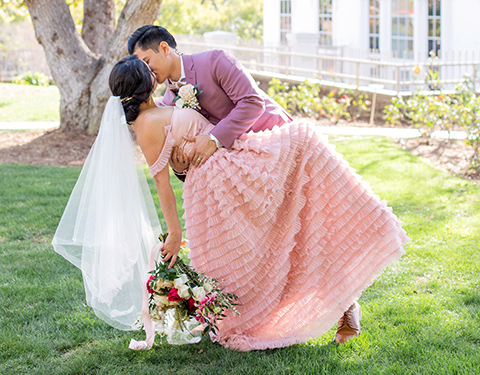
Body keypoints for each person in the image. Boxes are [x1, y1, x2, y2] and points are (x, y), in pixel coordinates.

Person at [53, 55, 409, 352]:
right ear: (143, 83)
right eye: (147, 70)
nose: (154, 72)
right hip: (216, 183)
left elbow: (193, 134)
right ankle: (310, 293)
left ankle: (358, 250)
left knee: (302, 150)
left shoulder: (164, 104)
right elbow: (162, 181)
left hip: (229, 164)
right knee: (298, 153)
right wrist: (174, 232)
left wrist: (191, 145)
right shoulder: (146, 124)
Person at [127, 25, 291, 175]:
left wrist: (214, 139)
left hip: (274, 136)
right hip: (240, 163)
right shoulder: (169, 102)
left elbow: (252, 102)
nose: (146, 71)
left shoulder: (215, 60)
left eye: (147, 62)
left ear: (164, 48)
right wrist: (179, 168)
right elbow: (195, 152)